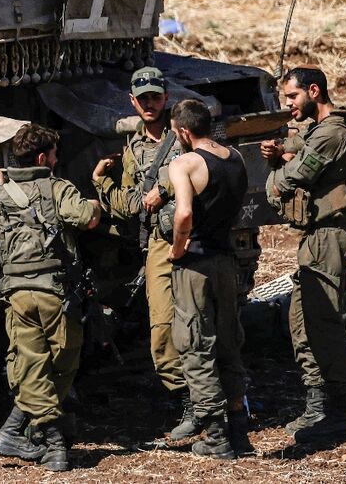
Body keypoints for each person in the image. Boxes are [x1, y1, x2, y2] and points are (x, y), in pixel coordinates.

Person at [0, 123, 101, 472]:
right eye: (55, 155)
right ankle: (53, 440)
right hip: (55, 293)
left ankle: (16, 431)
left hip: (17, 295)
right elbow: (87, 218)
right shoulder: (57, 187)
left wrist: (1, 188)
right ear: (44, 157)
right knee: (62, 364)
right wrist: (95, 201)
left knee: (30, 366)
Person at [91, 67, 199, 440]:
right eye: (144, 98)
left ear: (165, 98)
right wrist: (101, 183)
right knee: (163, 330)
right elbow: (130, 204)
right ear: (133, 102)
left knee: (206, 322)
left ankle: (217, 403)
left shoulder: (184, 136)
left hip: (193, 237)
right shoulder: (132, 150)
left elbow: (207, 163)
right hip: (159, 243)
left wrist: (166, 189)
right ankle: (189, 402)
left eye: (156, 96)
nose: (150, 103)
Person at [261, 66, 346, 444]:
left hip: (327, 236)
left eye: (292, 97)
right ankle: (319, 403)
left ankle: (340, 412)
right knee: (302, 320)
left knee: (323, 323)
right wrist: (282, 147)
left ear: (314, 91)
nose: (288, 105)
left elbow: (293, 179)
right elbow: (303, 145)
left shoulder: (334, 131)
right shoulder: (322, 129)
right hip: (316, 237)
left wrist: (273, 169)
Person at [166, 99, 251, 459]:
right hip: (226, 260)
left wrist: (177, 248)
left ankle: (215, 437)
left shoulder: (184, 163)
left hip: (196, 263)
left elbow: (184, 213)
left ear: (184, 131)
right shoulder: (236, 158)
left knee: (196, 345)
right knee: (229, 341)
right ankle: (238, 431)